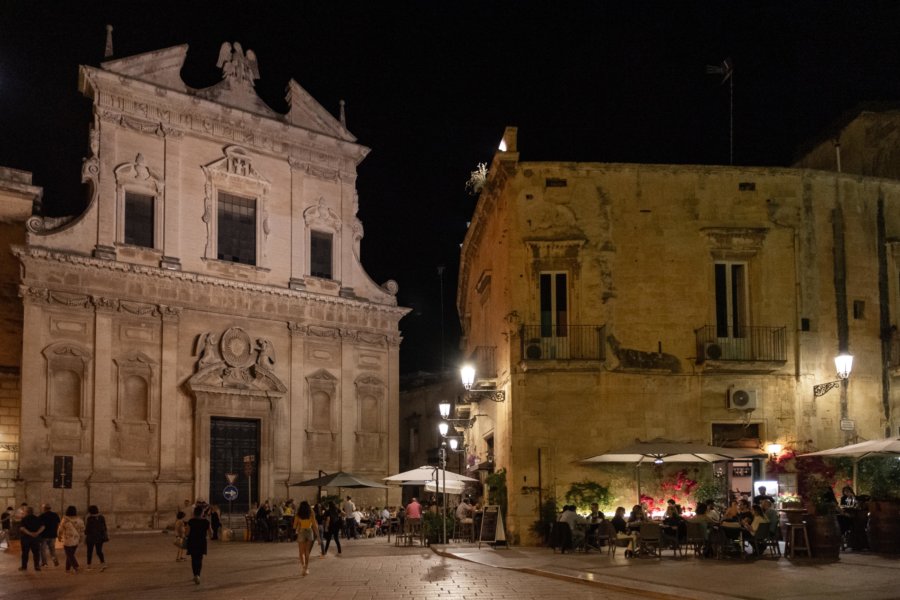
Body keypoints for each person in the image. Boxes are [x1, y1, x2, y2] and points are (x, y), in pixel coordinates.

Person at [185, 505, 210, 585]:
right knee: (199, 559)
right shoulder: (206, 522)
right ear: (202, 513)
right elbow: (211, 533)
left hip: (192, 542)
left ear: (194, 513)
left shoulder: (191, 521)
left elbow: (187, 533)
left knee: (193, 559)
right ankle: (198, 575)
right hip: (201, 542)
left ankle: (195, 574)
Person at [293, 501, 319, 576]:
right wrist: (318, 537)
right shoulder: (311, 514)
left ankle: (303, 567)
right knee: (307, 551)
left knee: (301, 552)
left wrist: (299, 524)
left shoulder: (298, 515)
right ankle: (306, 568)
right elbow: (315, 526)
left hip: (301, 532)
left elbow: (294, 526)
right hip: (309, 531)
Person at [58, 505, 85, 574]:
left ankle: (76, 567)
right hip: (76, 539)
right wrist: (81, 538)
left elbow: (60, 529)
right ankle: (67, 569)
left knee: (70, 555)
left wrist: (59, 536)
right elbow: (82, 530)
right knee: (70, 554)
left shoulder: (65, 520)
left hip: (67, 540)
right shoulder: (79, 520)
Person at [18, 506, 44, 571]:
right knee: (36, 553)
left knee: (25, 553)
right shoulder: (37, 518)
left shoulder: (24, 519)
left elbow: (22, 528)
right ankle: (37, 566)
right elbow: (43, 527)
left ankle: (24, 567)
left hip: (25, 539)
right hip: (35, 538)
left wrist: (30, 533)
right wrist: (37, 533)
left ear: (27, 512)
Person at [84, 505, 109, 571]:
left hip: (91, 537)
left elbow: (87, 529)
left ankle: (89, 565)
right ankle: (103, 563)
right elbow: (105, 527)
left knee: (89, 551)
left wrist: (85, 533)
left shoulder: (89, 518)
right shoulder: (101, 517)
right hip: (100, 537)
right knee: (99, 551)